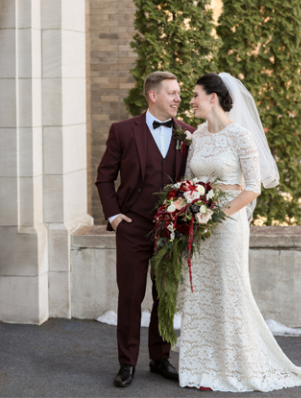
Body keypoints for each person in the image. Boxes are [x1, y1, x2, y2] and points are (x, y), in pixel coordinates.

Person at [178, 72, 301, 391]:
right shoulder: (198, 136)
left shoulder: (241, 135)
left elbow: (253, 188)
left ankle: (232, 365)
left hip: (227, 225)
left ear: (213, 97)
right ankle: (199, 365)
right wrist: (187, 206)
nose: (191, 101)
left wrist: (216, 216)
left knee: (229, 291)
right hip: (198, 225)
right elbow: (189, 179)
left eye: (196, 95)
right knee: (199, 291)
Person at [96, 71, 195, 388]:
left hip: (170, 230)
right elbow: (104, 177)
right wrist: (114, 217)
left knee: (165, 296)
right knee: (130, 297)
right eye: (173, 93)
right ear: (153, 95)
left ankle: (160, 358)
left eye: (179, 93)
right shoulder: (123, 131)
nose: (178, 98)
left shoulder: (189, 134)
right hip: (133, 227)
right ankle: (127, 363)